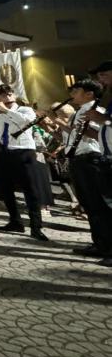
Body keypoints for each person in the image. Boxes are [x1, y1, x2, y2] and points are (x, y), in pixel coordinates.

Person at [0, 84, 47, 241]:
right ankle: (15, 221)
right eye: (3, 95)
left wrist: (6, 110)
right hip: (4, 152)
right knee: (5, 189)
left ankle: (36, 227)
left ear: (14, 95)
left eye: (10, 94)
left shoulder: (26, 110)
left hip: (24, 151)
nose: (8, 97)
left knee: (30, 190)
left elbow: (26, 123)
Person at [65, 78, 112, 266]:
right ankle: (99, 243)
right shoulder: (81, 112)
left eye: (76, 91)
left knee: (99, 205)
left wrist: (90, 125)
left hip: (90, 158)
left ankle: (108, 246)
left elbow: (101, 134)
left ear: (89, 94)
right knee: (89, 204)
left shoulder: (96, 110)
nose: (72, 95)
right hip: (79, 158)